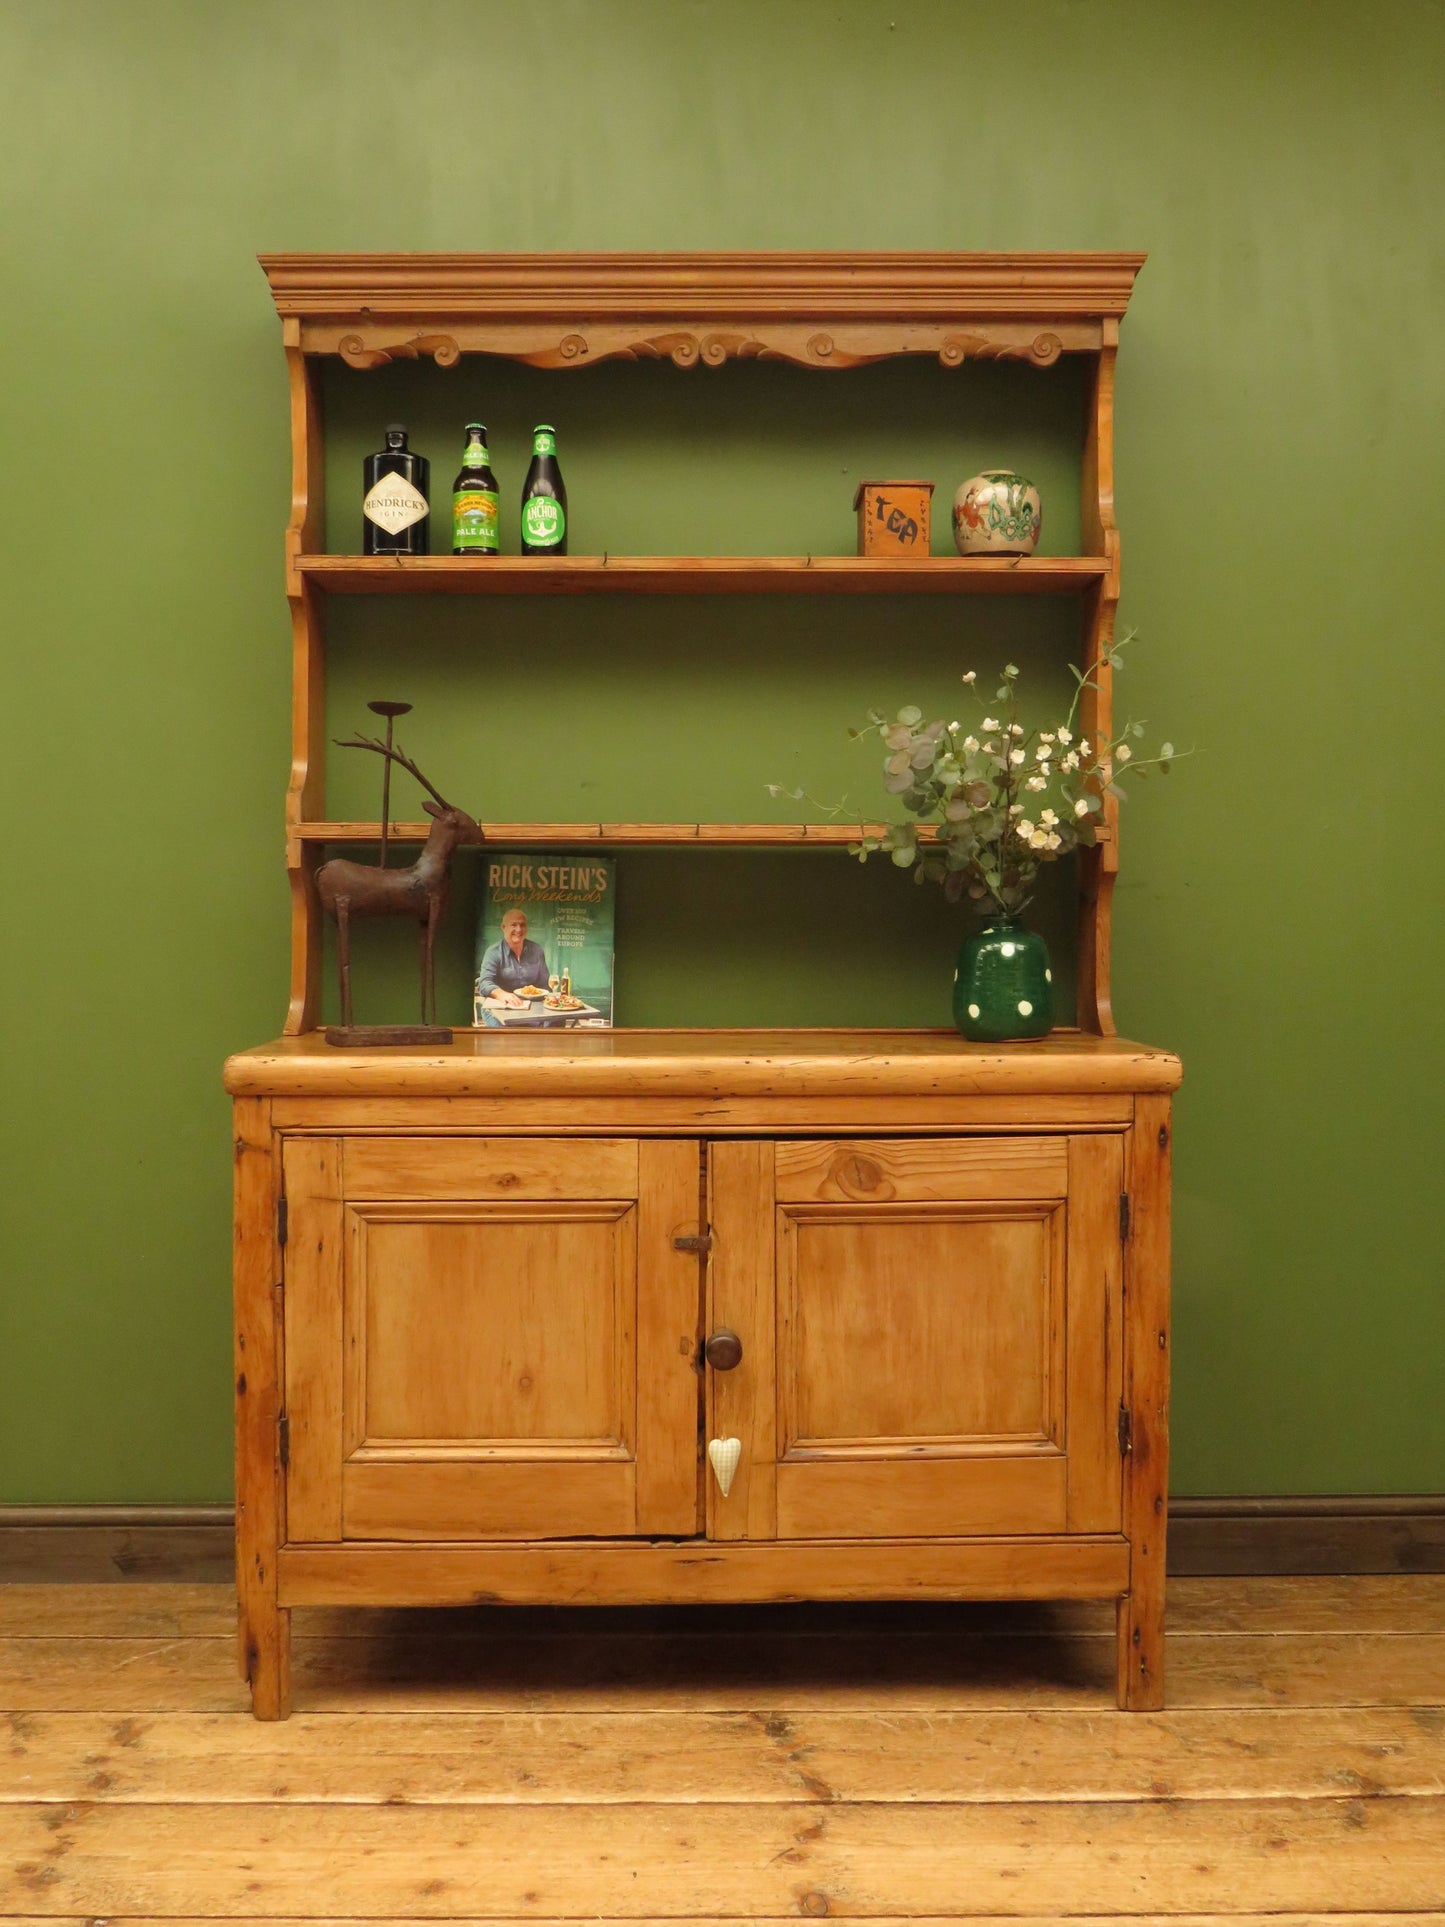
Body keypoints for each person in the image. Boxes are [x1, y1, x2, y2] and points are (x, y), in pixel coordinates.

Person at [477, 909, 550, 1007]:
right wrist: (502, 995)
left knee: (555, 1020)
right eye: (513, 925)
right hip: (501, 1006)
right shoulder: (493, 952)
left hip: (532, 1006)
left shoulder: (537, 950)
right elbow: (484, 983)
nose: (519, 929)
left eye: (522, 925)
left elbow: (544, 984)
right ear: (503, 927)